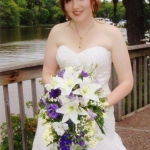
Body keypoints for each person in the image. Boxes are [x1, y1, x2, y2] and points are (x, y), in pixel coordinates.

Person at [32, 0, 133, 149]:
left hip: (97, 113)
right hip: (62, 111)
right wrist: (62, 95)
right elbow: (47, 73)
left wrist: (98, 107)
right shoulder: (57, 31)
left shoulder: (112, 33)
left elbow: (127, 81)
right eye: (68, 1)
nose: (74, 6)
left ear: (93, 1)